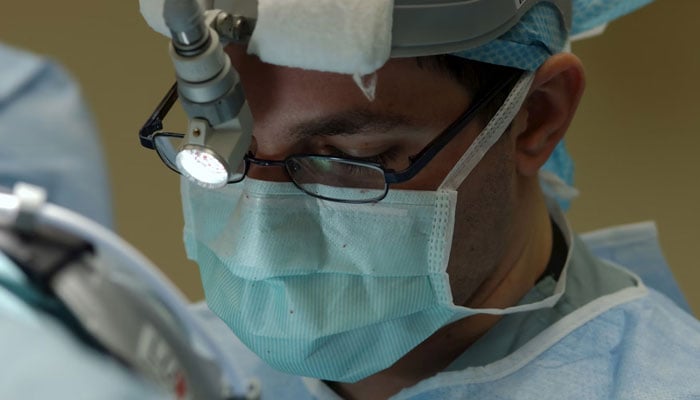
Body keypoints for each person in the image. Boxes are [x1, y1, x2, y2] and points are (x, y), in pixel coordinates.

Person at [137, 0, 700, 399]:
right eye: (225, 152)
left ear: (537, 117)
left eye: (350, 160)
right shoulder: (159, 366)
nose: (260, 244)